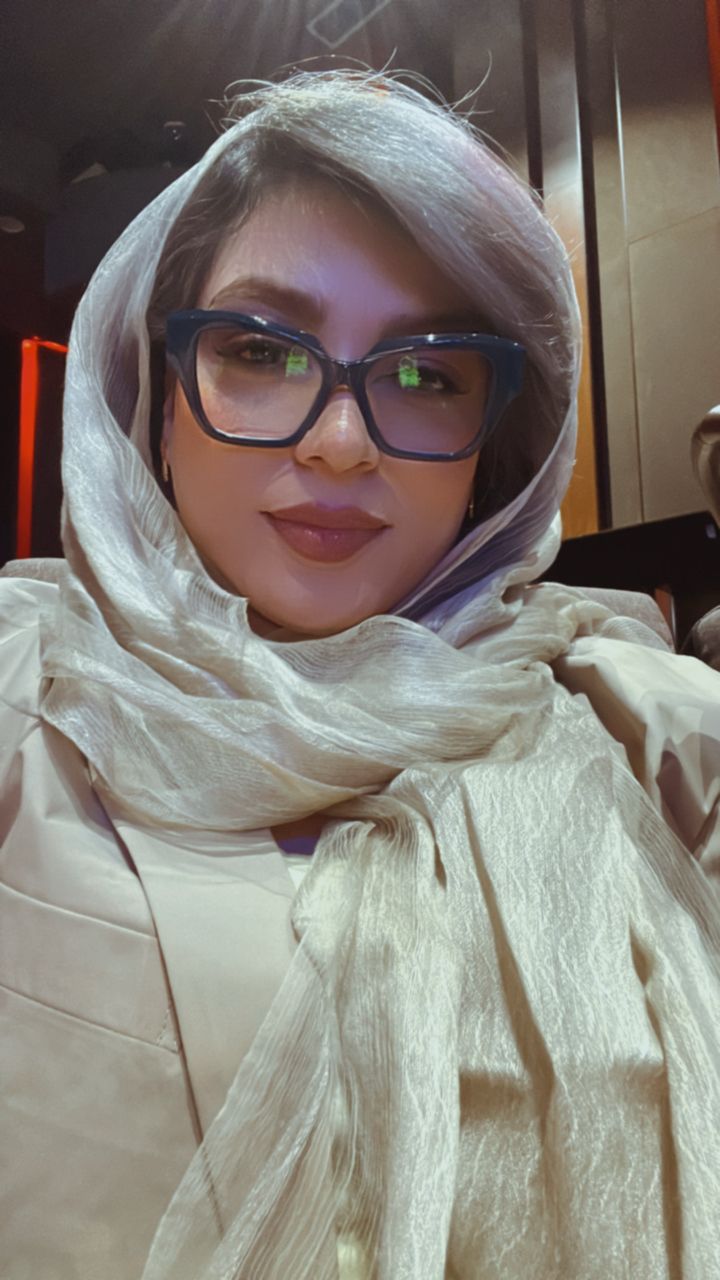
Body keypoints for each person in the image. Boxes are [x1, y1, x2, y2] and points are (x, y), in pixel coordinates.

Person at [1, 69, 719, 1280]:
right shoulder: (26, 696)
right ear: (159, 395)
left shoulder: (653, 741)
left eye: (427, 374)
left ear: (493, 446)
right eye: (259, 350)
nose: (340, 442)